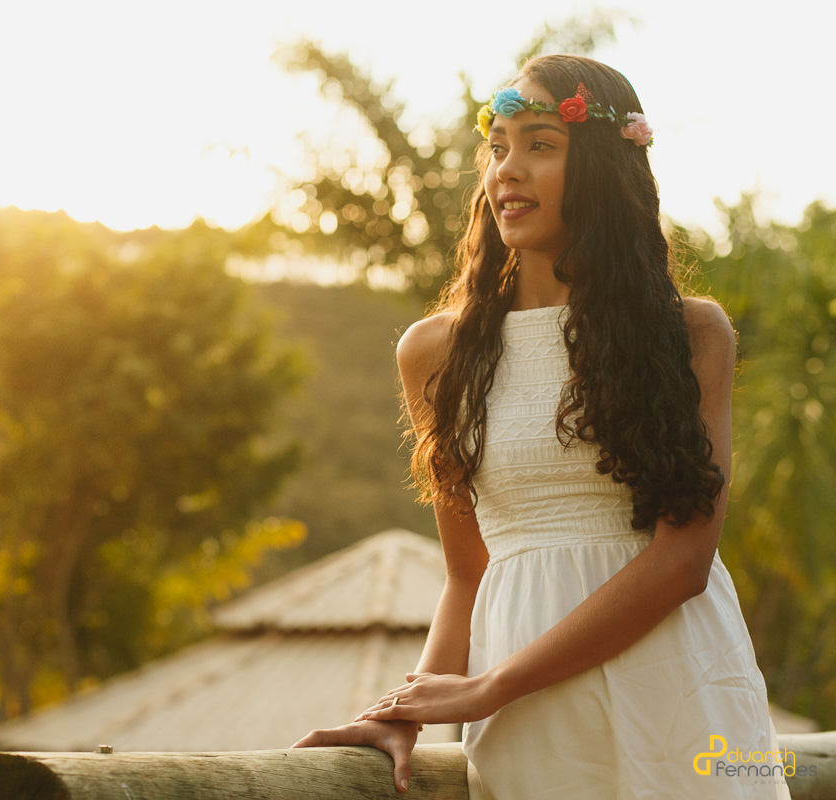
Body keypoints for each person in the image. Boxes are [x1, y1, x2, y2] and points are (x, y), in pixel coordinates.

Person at [292, 54, 791, 799]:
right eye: (498, 147)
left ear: (603, 169)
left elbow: (685, 559)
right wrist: (406, 710)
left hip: (682, 696)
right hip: (530, 719)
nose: (508, 169)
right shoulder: (435, 353)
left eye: (541, 145)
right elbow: (468, 573)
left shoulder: (689, 333)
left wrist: (491, 686)